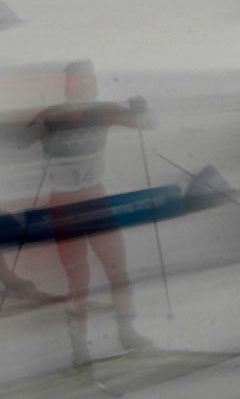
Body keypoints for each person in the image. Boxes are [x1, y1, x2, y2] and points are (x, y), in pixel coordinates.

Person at [16, 60, 156, 366]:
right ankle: (81, 346)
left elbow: (149, 124)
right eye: (82, 82)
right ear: (72, 83)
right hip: (66, 202)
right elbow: (15, 144)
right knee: (80, 276)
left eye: (89, 81)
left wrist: (141, 109)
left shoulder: (101, 110)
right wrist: (37, 131)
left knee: (115, 268)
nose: (87, 87)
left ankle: (126, 331)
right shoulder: (53, 114)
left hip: (93, 197)